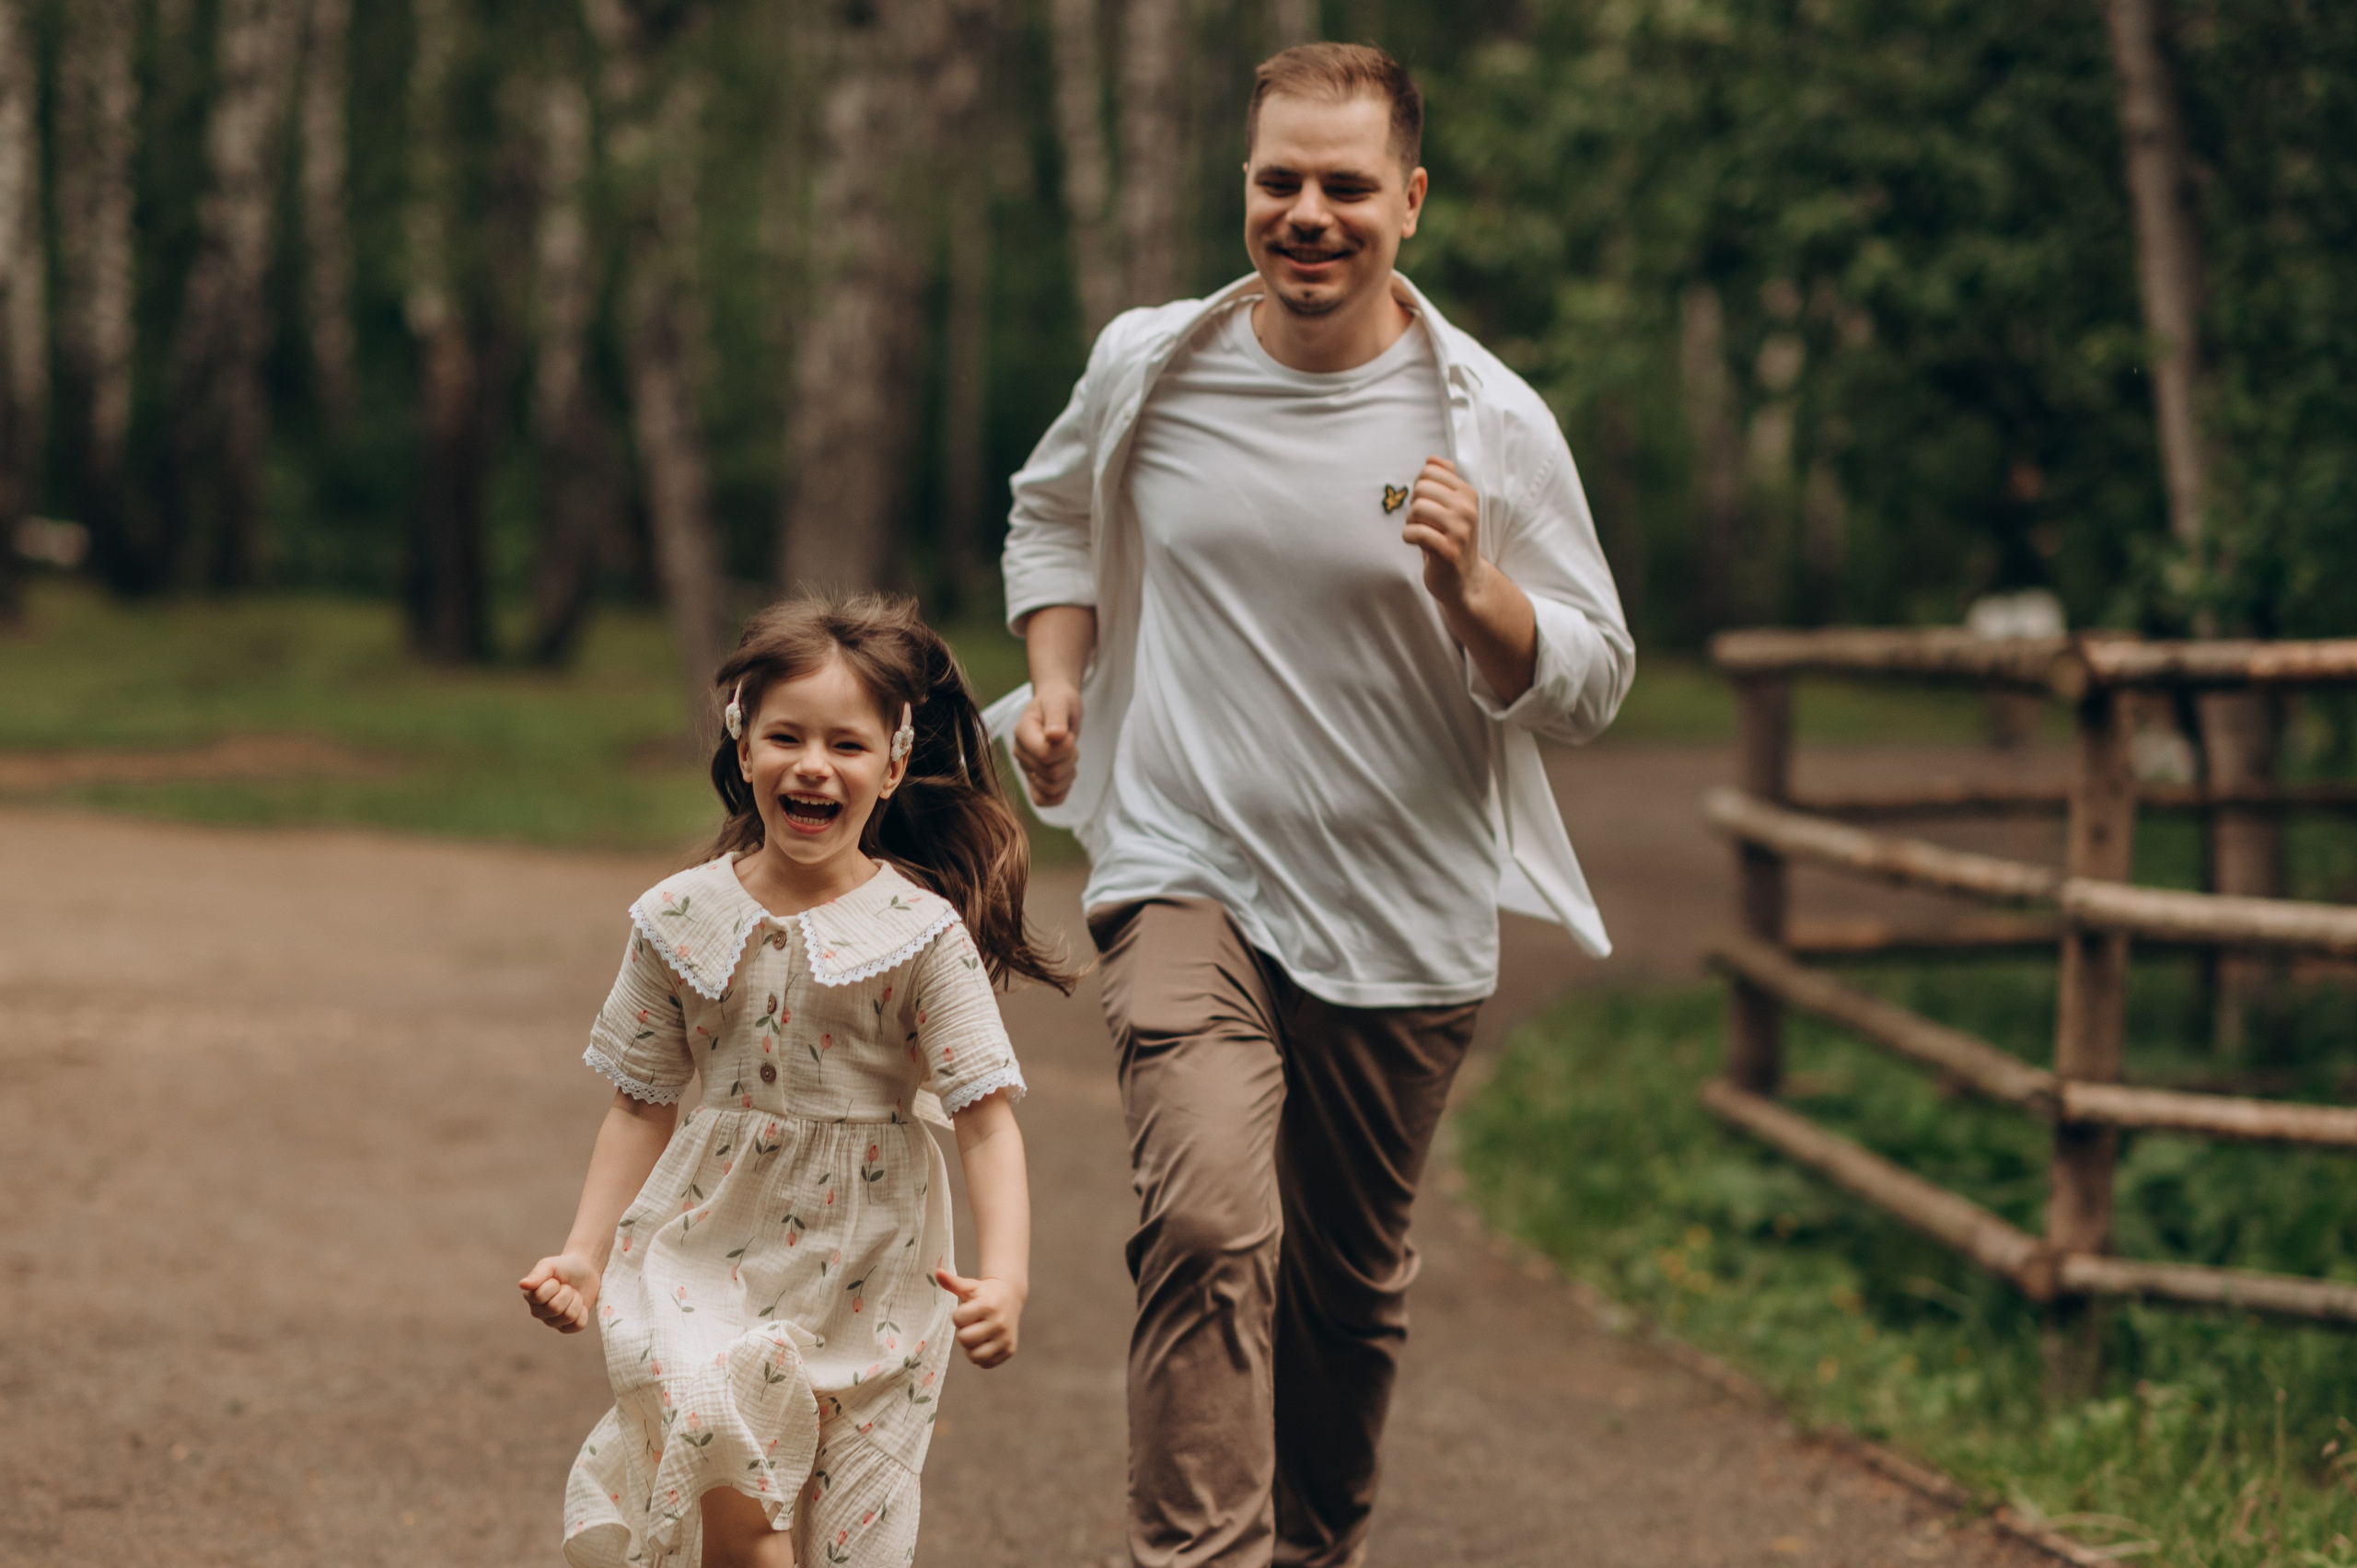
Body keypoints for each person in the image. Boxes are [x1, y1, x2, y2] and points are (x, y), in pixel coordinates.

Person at [986, 41, 1634, 1568]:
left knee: (1348, 1288)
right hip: (1177, 858)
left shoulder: (1488, 421)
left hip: (1399, 910)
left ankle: (1314, 1545)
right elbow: (1052, 509)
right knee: (1209, 1222)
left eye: (1347, 185)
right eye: (1281, 180)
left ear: (1410, 200)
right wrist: (1060, 674)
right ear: (1246, 188)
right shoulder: (1153, 358)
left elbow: (1596, 678)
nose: (1310, 213)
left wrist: (1479, 590)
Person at [521, 595, 1072, 1568]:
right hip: (708, 1248)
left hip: (879, 1261)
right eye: (785, 735)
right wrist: (583, 1252)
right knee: (736, 1497)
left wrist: (1010, 1275)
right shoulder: (676, 918)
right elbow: (640, 1099)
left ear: (893, 766)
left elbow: (985, 1117)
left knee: (857, 1539)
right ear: (743, 748)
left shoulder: (921, 933)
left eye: (847, 745)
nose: (813, 763)